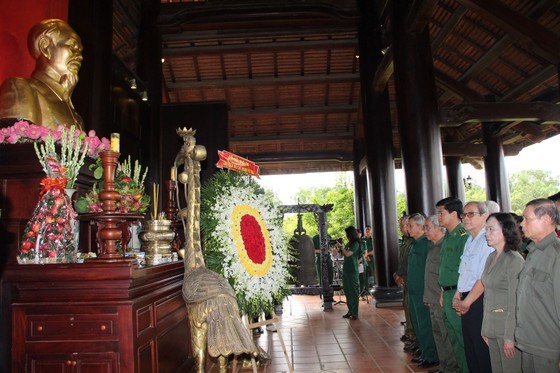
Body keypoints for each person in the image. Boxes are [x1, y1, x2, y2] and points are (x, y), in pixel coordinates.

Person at [0, 19, 84, 130]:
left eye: (80, 51)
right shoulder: (20, 87)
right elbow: (18, 144)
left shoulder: (76, 116)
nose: (79, 56)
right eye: (72, 46)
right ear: (45, 46)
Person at [516, 198, 560, 373]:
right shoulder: (533, 252)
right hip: (529, 342)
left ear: (547, 219)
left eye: (527, 219)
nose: (522, 224)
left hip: (548, 348)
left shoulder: (556, 255)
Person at [452, 201, 493, 373]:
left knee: (481, 349)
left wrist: (467, 302)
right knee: (470, 348)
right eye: (463, 215)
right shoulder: (469, 240)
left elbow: (483, 277)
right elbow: (465, 273)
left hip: (478, 299)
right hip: (466, 297)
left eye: (471, 214)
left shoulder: (487, 240)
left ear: (484, 216)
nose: (465, 218)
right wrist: (457, 295)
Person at [482, 213, 524, 373]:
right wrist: (485, 329)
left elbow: (516, 302)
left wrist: (510, 337)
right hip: (492, 328)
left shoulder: (514, 260)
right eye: (486, 229)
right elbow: (488, 297)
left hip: (507, 331)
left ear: (505, 231)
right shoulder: (491, 257)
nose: (487, 233)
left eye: (491, 229)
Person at [436, 197, 469, 373]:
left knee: (463, 338)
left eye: (441, 213)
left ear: (454, 214)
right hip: (447, 292)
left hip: (459, 293)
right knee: (454, 338)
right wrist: (442, 292)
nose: (438, 217)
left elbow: (466, 270)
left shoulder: (463, 236)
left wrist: (457, 293)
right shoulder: (448, 235)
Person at [424, 215, 459, 373]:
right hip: (432, 299)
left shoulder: (445, 246)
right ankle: (444, 366)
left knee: (447, 337)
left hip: (441, 299)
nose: (426, 231)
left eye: (428, 227)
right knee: (438, 336)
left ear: (439, 228)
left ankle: (451, 368)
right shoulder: (433, 247)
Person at [406, 213, 439, 369]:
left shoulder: (427, 244)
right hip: (412, 289)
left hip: (422, 290)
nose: (408, 228)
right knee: (418, 323)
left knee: (425, 324)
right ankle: (424, 350)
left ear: (420, 226)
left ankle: (431, 355)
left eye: (411, 225)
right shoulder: (414, 243)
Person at [394, 215, 416, 346]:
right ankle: (410, 332)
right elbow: (402, 259)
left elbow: (409, 261)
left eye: (403, 225)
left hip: (411, 278)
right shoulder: (407, 240)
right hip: (406, 278)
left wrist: (401, 274)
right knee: (407, 306)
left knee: (411, 307)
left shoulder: (414, 241)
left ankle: (413, 335)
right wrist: (398, 273)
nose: (402, 228)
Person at [341, 226, 361, 319]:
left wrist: (341, 247)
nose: (346, 235)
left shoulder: (356, 243)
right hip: (346, 269)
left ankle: (355, 312)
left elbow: (348, 254)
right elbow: (343, 253)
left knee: (354, 291)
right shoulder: (348, 243)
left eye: (347, 233)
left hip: (353, 270)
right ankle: (350, 310)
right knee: (347, 290)